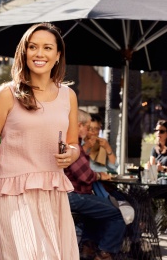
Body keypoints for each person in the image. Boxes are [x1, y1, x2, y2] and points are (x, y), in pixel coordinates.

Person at [0, 22, 80, 259]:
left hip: (53, 190)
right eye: (33, 47)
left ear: (58, 54)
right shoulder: (6, 95)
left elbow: (73, 142)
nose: (39, 53)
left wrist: (71, 153)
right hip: (12, 192)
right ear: (24, 52)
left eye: (47, 48)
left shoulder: (68, 96)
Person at [65, 109, 126, 260]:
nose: (90, 131)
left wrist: (106, 149)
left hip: (77, 194)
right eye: (88, 127)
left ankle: (88, 248)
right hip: (73, 196)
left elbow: (113, 167)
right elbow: (86, 176)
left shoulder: (76, 145)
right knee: (118, 214)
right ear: (79, 126)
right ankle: (104, 253)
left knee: (99, 209)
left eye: (96, 128)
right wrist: (100, 175)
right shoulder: (75, 147)